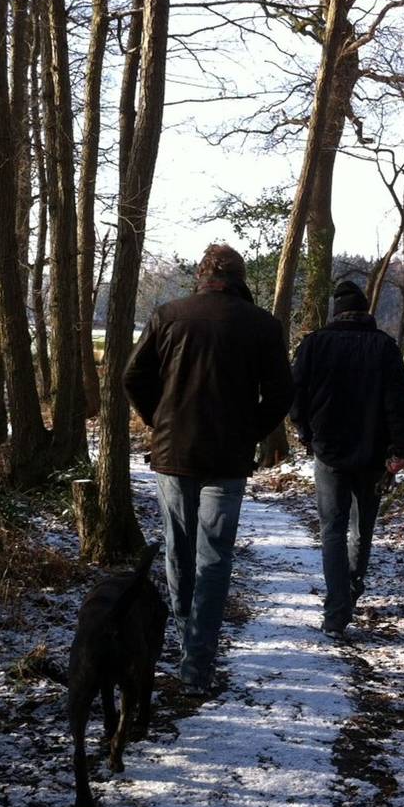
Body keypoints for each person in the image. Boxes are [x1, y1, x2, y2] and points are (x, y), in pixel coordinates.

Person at [123, 244, 293, 694]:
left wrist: (157, 419)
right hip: (228, 458)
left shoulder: (168, 314)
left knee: (179, 553)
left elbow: (131, 376)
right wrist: (250, 431)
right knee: (214, 559)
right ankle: (197, 664)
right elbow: (281, 394)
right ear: (239, 278)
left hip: (173, 454)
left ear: (201, 277)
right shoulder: (263, 325)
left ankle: (187, 646)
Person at [290, 279, 404, 639]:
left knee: (332, 530)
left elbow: (295, 395)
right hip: (374, 454)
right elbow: (398, 402)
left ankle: (336, 610)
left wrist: (304, 431)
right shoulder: (384, 347)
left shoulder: (314, 345)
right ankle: (350, 592)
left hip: (328, 451)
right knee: (362, 529)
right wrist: (402, 450)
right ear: (365, 310)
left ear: (336, 311)